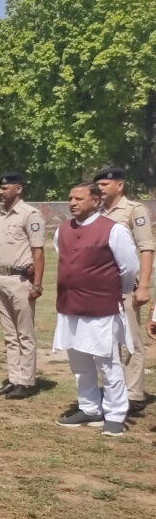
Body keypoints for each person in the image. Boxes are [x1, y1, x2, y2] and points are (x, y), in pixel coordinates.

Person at [54, 182, 139, 437]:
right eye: (70, 198)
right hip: (69, 307)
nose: (72, 203)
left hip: (101, 307)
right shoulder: (62, 230)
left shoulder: (114, 230)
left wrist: (113, 291)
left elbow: (129, 268)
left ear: (95, 200)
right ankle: (89, 408)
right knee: (79, 362)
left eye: (79, 198)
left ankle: (114, 414)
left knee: (107, 361)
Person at [94, 166, 154, 413]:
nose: (99, 188)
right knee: (108, 341)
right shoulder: (97, 212)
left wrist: (144, 286)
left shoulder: (133, 210)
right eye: (97, 185)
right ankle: (115, 389)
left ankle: (134, 393)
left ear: (119, 185)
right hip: (103, 287)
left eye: (104, 184)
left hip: (127, 286)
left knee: (131, 340)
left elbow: (147, 248)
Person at [0, 173, 46, 400]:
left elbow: (38, 252)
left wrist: (38, 285)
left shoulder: (30, 215)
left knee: (24, 334)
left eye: (4, 188)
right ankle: (14, 379)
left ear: (18, 188)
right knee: (9, 334)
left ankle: (27, 381)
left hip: (20, 280)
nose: (0, 192)